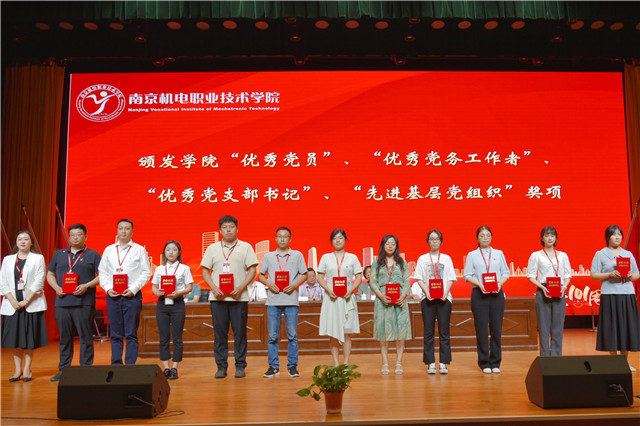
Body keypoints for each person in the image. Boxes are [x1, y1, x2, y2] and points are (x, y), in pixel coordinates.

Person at [201, 215, 258, 379]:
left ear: (237, 229)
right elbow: (205, 271)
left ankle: (240, 365)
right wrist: (213, 287)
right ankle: (221, 366)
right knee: (220, 334)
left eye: (231, 226)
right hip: (217, 299)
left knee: (240, 333)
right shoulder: (212, 248)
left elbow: (252, 270)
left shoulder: (246, 247)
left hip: (239, 298)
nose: (228, 230)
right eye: (225, 227)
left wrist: (241, 287)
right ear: (220, 230)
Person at [46, 224, 101, 381]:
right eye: (73, 235)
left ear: (85, 236)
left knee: (85, 338)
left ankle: (85, 370)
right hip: (62, 302)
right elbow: (50, 274)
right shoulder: (59, 254)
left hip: (84, 303)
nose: (75, 237)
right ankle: (64, 370)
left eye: (79, 234)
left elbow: (102, 276)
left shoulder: (93, 255)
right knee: (65, 338)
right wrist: (56, 288)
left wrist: (86, 286)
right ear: (69, 237)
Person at [98, 219, 151, 365]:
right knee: (115, 333)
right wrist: (108, 288)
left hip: (132, 297)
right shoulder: (109, 250)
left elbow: (146, 272)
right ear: (117, 230)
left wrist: (133, 289)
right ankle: (116, 365)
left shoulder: (139, 249)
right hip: (113, 296)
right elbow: (102, 271)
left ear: (132, 231)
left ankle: (130, 366)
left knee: (131, 333)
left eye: (127, 228)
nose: (123, 231)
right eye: (121, 228)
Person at [258, 227, 308, 378]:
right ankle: (273, 367)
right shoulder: (268, 256)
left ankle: (292, 366)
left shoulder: (297, 255)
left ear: (290, 239)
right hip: (273, 300)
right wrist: (268, 283)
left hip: (291, 300)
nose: (282, 239)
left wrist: (294, 285)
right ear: (275, 239)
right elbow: (261, 275)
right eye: (279, 236)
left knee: (292, 335)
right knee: (272, 336)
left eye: (285, 236)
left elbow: (304, 274)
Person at [590, 225, 640, 372]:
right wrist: (609, 275)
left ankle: (624, 362)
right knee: (611, 327)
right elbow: (593, 275)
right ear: (608, 237)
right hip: (610, 295)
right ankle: (614, 361)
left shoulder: (628, 254)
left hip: (627, 294)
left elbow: (637, 274)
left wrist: (631, 275)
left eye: (619, 234)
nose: (617, 237)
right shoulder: (600, 254)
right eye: (614, 234)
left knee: (626, 327)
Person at [0, 230, 47, 382]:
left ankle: (27, 368)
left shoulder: (38, 258)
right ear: (16, 242)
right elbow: (2, 281)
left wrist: (26, 300)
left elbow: (39, 280)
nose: (22, 241)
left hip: (31, 304)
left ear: (31, 242)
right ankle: (17, 369)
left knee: (29, 338)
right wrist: (13, 301)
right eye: (19, 239)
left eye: (26, 239)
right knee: (15, 339)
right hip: (12, 305)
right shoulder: (8, 260)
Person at [464, 226, 510, 374]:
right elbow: (467, 275)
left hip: (496, 294)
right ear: (477, 238)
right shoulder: (472, 255)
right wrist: (479, 284)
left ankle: (495, 362)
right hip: (479, 294)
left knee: (496, 329)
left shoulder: (499, 253)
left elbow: (506, 272)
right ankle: (484, 362)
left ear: (491, 237)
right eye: (482, 235)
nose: (485, 238)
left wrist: (499, 283)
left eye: (488, 235)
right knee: (482, 329)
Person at [317, 229, 363, 366]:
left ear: (345, 240)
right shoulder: (325, 257)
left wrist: (351, 290)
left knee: (347, 333)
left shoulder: (352, 257)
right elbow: (320, 277)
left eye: (340, 238)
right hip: (331, 298)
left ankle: (346, 363)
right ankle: (336, 364)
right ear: (331, 241)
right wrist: (328, 290)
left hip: (347, 297)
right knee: (333, 332)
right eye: (335, 238)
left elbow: (359, 277)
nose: (337, 240)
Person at [414, 229, 456, 374]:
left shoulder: (446, 258)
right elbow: (419, 278)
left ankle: (443, 363)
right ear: (428, 241)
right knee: (428, 332)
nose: (434, 241)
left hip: (444, 299)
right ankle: (430, 362)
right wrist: (426, 293)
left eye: (437, 239)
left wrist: (445, 293)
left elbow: (451, 278)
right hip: (428, 299)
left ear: (441, 241)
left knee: (444, 332)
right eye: (432, 239)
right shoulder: (422, 258)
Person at [368, 235, 411, 374]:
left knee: (401, 334)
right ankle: (385, 363)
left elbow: (407, 281)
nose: (390, 246)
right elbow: (373, 282)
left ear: (396, 246)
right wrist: (380, 296)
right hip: (383, 301)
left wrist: (403, 296)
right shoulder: (376, 263)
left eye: (393, 243)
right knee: (383, 334)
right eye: (387, 243)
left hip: (400, 301)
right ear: (383, 246)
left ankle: (399, 363)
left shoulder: (402, 263)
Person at [151, 240, 193, 380]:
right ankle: (166, 368)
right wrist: (157, 292)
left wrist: (178, 293)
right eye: (168, 249)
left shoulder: (184, 268)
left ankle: (175, 368)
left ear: (179, 252)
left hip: (177, 304)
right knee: (163, 337)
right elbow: (154, 287)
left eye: (174, 249)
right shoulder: (159, 269)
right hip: (162, 304)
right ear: (164, 252)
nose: (171, 252)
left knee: (177, 337)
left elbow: (189, 287)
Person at [527, 226, 572, 357]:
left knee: (558, 327)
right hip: (543, 290)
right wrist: (542, 287)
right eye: (547, 236)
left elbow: (568, 275)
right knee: (544, 327)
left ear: (556, 238)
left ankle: (556, 357)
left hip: (560, 290)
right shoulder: (536, 255)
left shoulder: (563, 255)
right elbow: (530, 276)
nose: (550, 238)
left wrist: (564, 287)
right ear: (542, 238)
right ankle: (545, 357)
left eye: (552, 235)